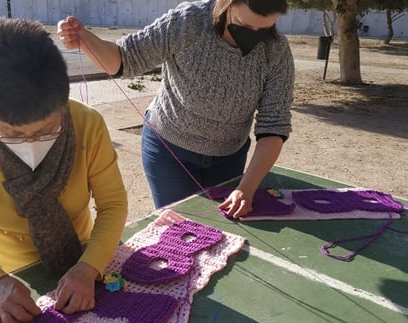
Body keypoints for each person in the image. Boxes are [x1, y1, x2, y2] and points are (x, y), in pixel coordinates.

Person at [0, 17, 128, 323]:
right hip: (7, 270)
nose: (30, 142)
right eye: (10, 132)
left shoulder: (88, 124)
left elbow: (112, 203)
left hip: (81, 251)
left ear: (63, 102)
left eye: (48, 129)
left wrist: (89, 266)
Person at [57, 0, 294, 218]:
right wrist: (85, 39)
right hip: (169, 151)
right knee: (182, 230)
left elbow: (274, 125)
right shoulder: (187, 22)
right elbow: (126, 59)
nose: (253, 35)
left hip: (229, 157)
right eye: (244, 24)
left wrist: (246, 188)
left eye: (264, 28)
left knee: (220, 229)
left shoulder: (276, 50)